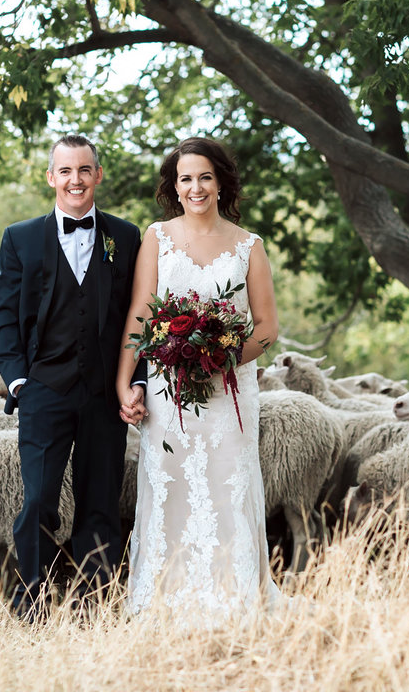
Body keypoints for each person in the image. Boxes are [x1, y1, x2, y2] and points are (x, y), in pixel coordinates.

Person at [116, 136, 283, 624]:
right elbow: (140, 315)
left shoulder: (249, 246)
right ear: (175, 185)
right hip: (169, 395)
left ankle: (235, 603)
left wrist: (221, 360)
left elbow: (267, 330)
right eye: (186, 178)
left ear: (220, 182)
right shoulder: (157, 237)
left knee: (229, 488)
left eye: (205, 177)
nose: (195, 187)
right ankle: (163, 603)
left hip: (230, 395)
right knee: (169, 487)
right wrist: (125, 382)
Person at [0, 134, 146, 618]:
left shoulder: (126, 236)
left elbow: (138, 317)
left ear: (97, 175)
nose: (74, 180)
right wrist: (18, 382)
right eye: (65, 171)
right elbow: (4, 318)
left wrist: (135, 381)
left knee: (100, 503)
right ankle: (31, 602)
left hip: (104, 395)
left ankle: (95, 604)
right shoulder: (21, 237)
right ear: (51, 177)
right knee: (37, 502)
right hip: (44, 393)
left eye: (84, 170)